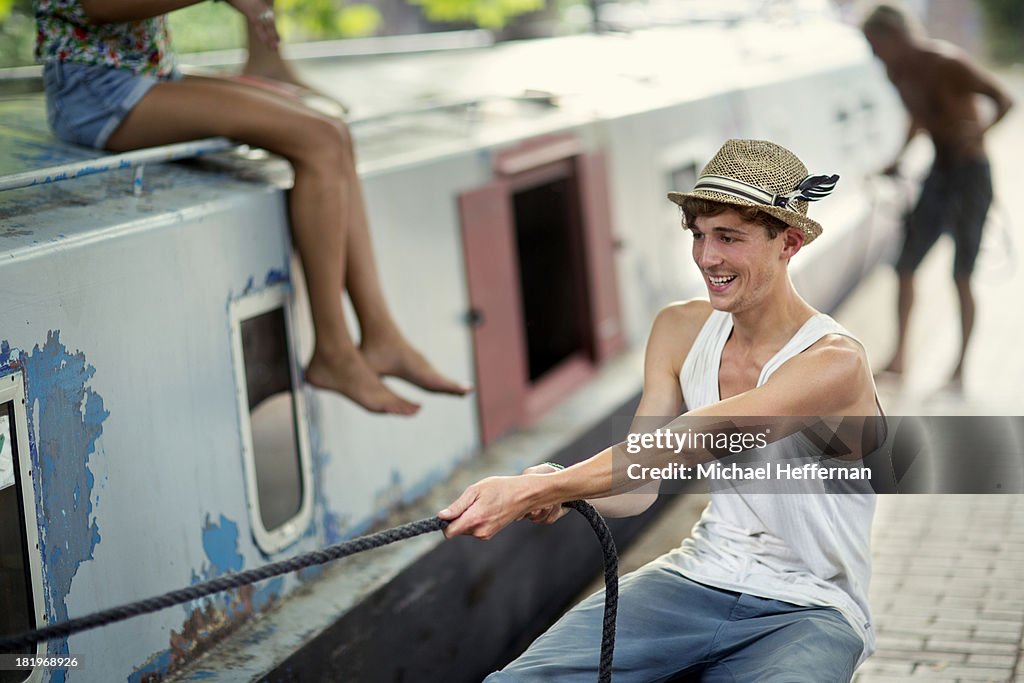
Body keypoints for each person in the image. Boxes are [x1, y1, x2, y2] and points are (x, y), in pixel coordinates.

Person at [440, 139, 885, 681]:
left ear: (788, 242)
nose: (706, 257)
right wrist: (565, 483)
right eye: (699, 235)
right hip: (697, 577)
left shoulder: (835, 363)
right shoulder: (678, 330)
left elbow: (700, 433)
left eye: (729, 237)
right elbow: (639, 488)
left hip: (811, 607)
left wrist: (538, 489)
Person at [35, 0, 470, 415]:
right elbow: (98, 7)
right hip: (94, 91)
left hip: (147, 76)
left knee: (333, 133)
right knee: (318, 139)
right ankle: (334, 351)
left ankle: (380, 334)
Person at [861, 3, 1014, 388]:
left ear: (893, 36)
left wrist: (979, 133)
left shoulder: (946, 61)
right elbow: (918, 116)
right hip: (938, 173)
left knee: (962, 274)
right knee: (905, 265)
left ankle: (960, 367)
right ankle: (899, 359)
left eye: (875, 44)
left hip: (970, 174)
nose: (873, 54)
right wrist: (897, 160)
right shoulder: (896, 72)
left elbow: (1004, 98)